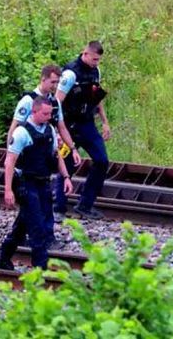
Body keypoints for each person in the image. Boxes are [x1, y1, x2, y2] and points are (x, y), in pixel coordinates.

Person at [0, 97, 74, 271]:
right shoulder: (22, 133)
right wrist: (8, 190)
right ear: (34, 112)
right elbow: (10, 162)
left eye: (50, 113)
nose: (48, 116)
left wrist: (66, 177)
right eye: (45, 114)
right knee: (37, 225)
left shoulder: (49, 130)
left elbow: (56, 155)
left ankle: (3, 257)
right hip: (25, 183)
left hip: (42, 182)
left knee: (24, 222)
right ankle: (41, 266)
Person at [8, 65, 81, 249]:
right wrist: (11, 154)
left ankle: (40, 237)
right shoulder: (28, 101)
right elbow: (14, 126)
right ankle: (32, 239)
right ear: (43, 79)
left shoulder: (54, 103)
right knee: (32, 206)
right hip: (26, 163)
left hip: (43, 160)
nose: (55, 86)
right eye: (53, 82)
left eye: (58, 82)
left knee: (40, 204)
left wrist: (73, 148)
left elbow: (61, 126)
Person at [55, 41, 109, 220]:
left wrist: (105, 122)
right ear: (85, 54)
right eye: (94, 59)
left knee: (101, 160)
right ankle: (59, 208)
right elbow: (57, 102)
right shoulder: (70, 74)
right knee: (67, 165)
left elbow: (97, 97)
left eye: (98, 60)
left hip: (87, 123)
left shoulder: (96, 71)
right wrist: (58, 130)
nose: (96, 63)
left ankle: (85, 205)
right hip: (69, 125)